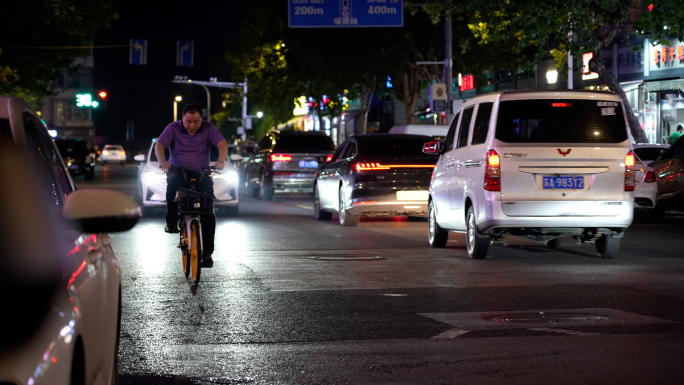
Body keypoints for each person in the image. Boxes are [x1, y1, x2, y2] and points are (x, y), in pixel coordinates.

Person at [156, 103, 228, 268]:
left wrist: (221, 161)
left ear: (201, 119)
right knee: (172, 187)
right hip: (178, 172)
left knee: (208, 210)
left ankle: (208, 254)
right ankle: (172, 221)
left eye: (196, 121)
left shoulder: (208, 128)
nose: (192, 125)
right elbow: (160, 144)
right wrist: (163, 161)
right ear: (182, 118)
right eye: (188, 121)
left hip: (202, 172)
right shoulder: (173, 128)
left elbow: (222, 144)